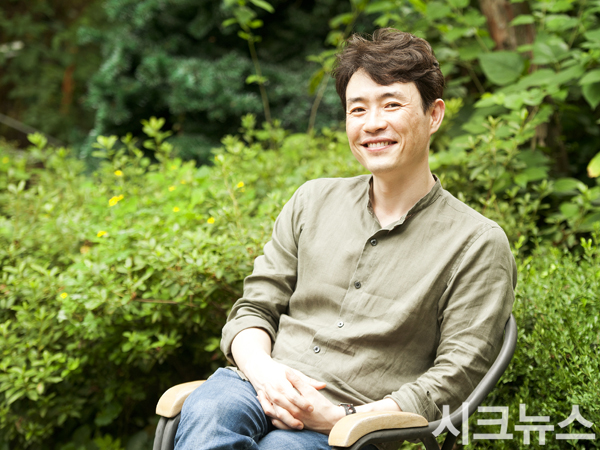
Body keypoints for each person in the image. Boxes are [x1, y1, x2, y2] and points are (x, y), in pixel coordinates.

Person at [174, 28, 516, 450]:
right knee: (209, 411)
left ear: (434, 115)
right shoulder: (311, 201)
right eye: (358, 109)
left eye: (391, 104)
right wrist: (266, 375)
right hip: (256, 383)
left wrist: (341, 418)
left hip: (355, 426)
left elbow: (457, 375)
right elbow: (254, 308)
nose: (372, 124)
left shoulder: (477, 242)